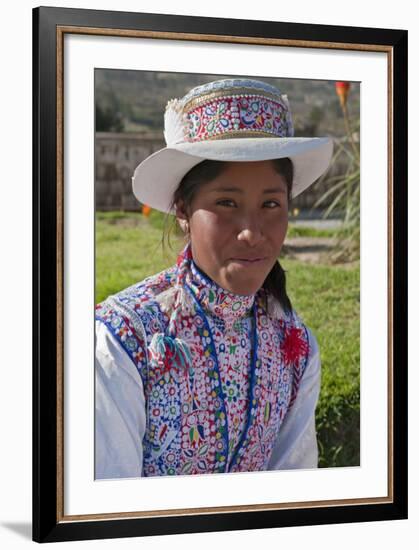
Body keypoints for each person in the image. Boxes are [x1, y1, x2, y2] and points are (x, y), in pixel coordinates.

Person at [95, 77, 333, 479]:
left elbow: (293, 487)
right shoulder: (122, 341)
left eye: (271, 204)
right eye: (226, 202)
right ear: (184, 210)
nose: (252, 232)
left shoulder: (296, 346)